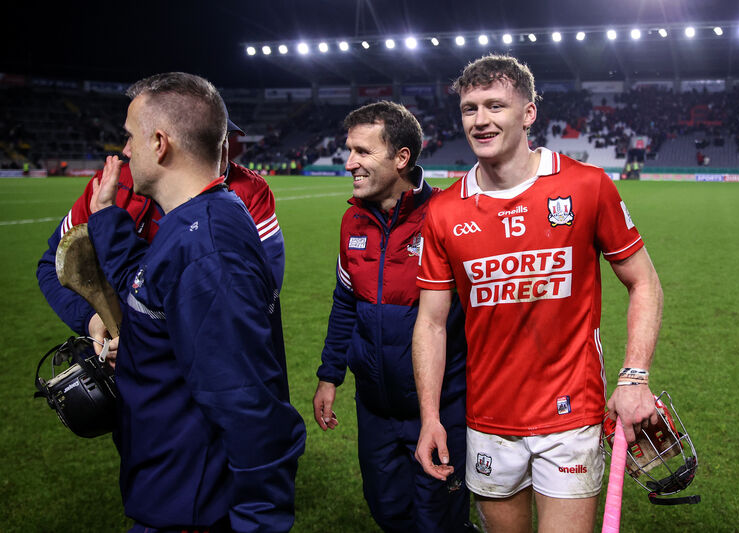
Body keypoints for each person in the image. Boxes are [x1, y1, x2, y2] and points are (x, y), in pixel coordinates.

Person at [413, 55, 663, 533]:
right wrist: (430, 416)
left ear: (528, 113)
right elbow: (430, 322)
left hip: (571, 417)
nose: (480, 120)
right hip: (487, 418)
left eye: (495, 106)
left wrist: (634, 377)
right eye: (469, 109)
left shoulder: (586, 186)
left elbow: (644, 281)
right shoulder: (444, 212)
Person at [86, 72, 305, 532]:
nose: (126, 151)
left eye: (130, 137)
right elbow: (148, 286)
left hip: (193, 503)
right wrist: (106, 218)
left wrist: (258, 522)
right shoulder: (196, 221)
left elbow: (248, 406)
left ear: (160, 143)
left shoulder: (207, 247)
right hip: (176, 487)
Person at [312, 101, 474, 532]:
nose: (350, 163)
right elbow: (345, 302)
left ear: (402, 158)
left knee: (439, 519)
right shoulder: (352, 221)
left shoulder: (446, 216)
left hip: (442, 410)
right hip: (376, 410)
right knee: (387, 510)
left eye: (362, 152)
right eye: (350, 151)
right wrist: (330, 376)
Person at [36, 103, 284, 367]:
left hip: (207, 365)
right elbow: (55, 264)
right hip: (123, 372)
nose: (220, 151)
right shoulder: (110, 186)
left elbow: (255, 296)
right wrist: (93, 319)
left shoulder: (250, 191)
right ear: (167, 143)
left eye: (223, 139)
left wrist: (142, 336)